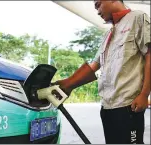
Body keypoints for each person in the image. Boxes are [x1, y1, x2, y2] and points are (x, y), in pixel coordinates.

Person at [53, 0, 150, 144]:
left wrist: (144, 94)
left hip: (128, 106)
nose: (97, 11)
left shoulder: (138, 18)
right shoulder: (108, 34)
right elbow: (94, 65)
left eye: (98, 4)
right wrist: (68, 84)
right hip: (107, 107)